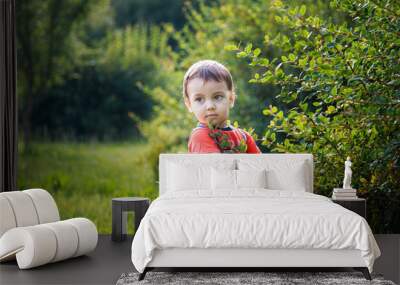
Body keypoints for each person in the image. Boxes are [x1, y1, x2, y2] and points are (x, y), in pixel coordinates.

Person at [183, 59, 261, 153]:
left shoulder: (244, 137)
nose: (210, 106)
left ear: (231, 99)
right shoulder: (200, 136)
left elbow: (260, 165)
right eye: (199, 99)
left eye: (217, 97)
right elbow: (218, 166)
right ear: (189, 105)